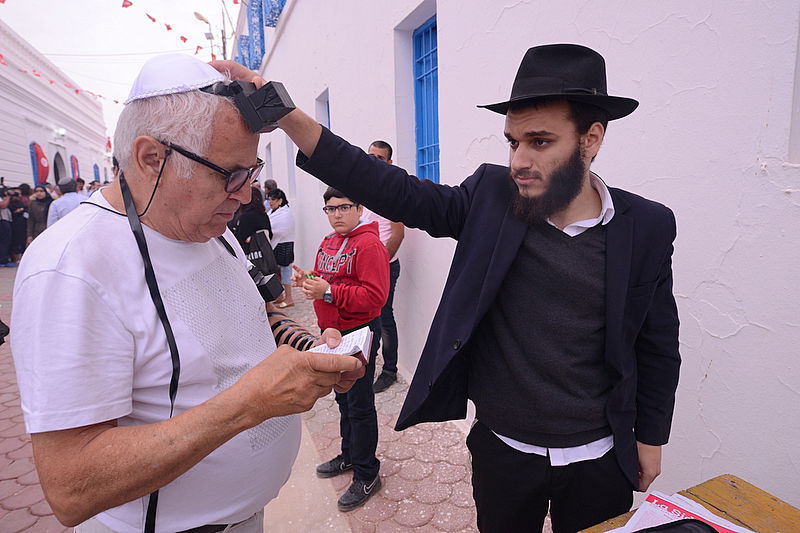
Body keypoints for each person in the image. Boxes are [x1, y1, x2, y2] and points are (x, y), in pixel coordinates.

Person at [210, 42, 681, 532]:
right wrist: (284, 114)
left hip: (599, 455)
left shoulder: (644, 226)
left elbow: (657, 342)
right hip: (505, 450)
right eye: (513, 142)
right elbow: (390, 187)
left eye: (540, 142)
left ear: (591, 139)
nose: (520, 160)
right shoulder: (492, 198)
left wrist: (650, 436)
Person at [10, 53, 364, 533]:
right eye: (230, 175)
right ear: (151, 157)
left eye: (252, 173)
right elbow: (71, 486)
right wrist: (250, 403)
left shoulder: (211, 227)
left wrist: (309, 350)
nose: (244, 196)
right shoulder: (72, 266)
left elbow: (252, 320)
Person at [293, 187, 389, 512]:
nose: (336, 214)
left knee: (360, 404)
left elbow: (375, 298)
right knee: (343, 399)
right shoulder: (328, 242)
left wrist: (330, 291)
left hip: (359, 332)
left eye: (343, 207)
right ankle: (350, 455)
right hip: (332, 333)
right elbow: (323, 280)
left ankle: (367, 472)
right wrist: (307, 279)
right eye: (330, 209)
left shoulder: (370, 245)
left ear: (359, 208)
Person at [360, 140, 405, 393]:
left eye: (380, 158)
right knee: (368, 319)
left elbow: (398, 235)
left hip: (386, 267)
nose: (374, 161)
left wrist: (380, 263)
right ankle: (367, 367)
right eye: (370, 156)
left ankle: (390, 371)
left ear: (389, 163)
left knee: (384, 318)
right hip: (365, 270)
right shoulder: (364, 192)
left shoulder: (391, 193)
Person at [267, 187, 296, 308]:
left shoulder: (285, 213)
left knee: (285, 271)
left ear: (280, 200)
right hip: (275, 245)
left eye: (273, 199)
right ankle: (279, 296)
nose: (270, 202)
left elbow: (283, 229)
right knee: (276, 272)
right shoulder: (271, 212)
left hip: (284, 245)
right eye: (269, 199)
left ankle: (289, 298)